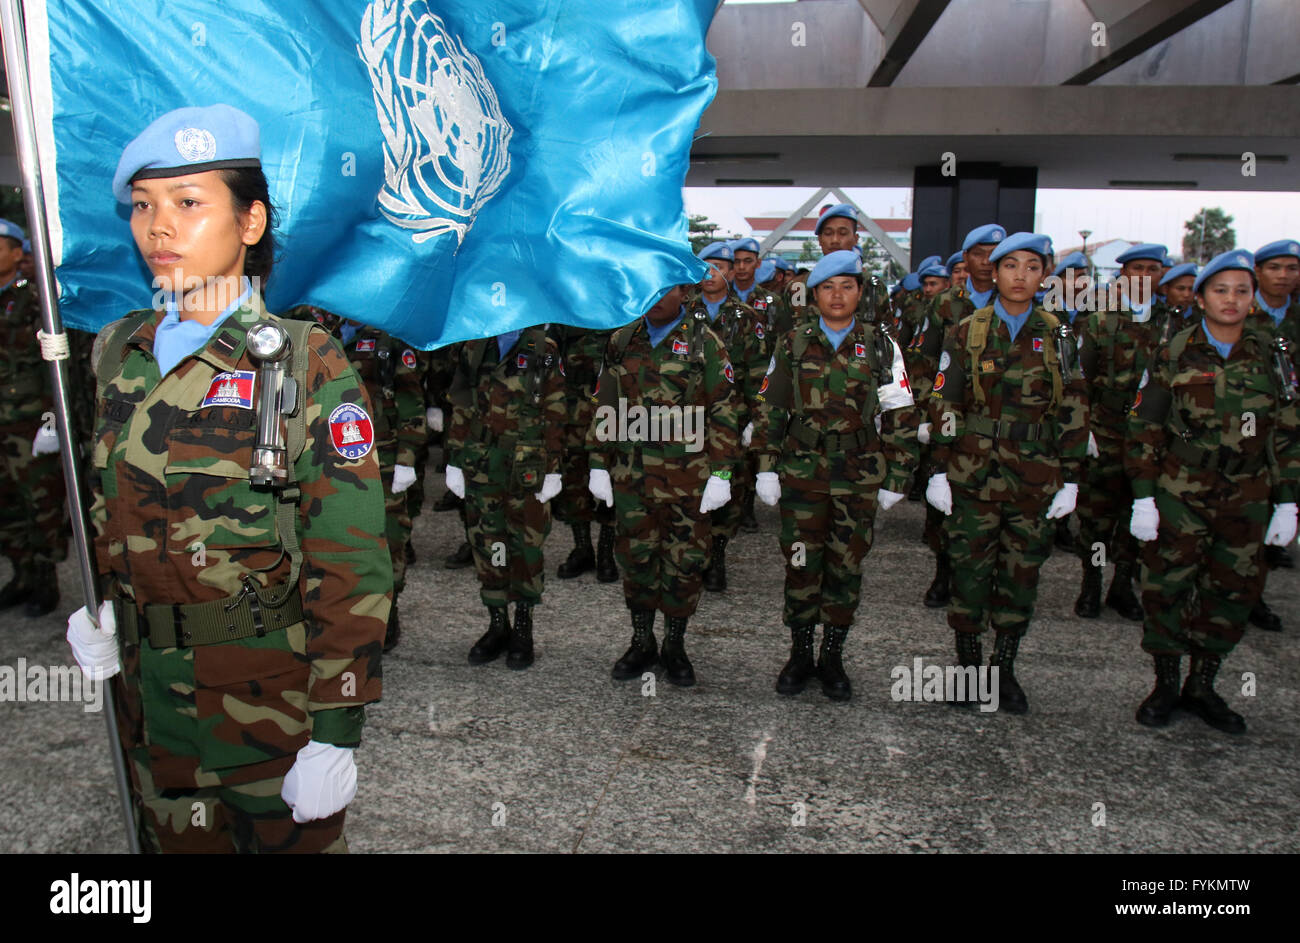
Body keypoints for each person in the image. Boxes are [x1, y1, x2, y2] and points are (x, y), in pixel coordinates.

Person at [65, 104, 391, 852]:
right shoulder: (120, 350)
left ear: (250, 223)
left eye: (188, 203)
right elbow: (109, 502)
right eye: (143, 206)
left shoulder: (301, 360)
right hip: (152, 705)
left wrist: (337, 728)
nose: (159, 228)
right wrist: (104, 605)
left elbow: (352, 556)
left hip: (267, 706)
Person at [1127, 250, 1299, 733]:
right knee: (1167, 586)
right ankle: (1164, 684)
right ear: (1201, 299)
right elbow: (1145, 426)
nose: (1231, 300)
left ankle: (1202, 685)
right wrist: (1143, 495)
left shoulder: (1273, 353)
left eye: (1241, 291)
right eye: (1220, 290)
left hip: (1248, 492)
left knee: (1232, 590)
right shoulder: (1174, 352)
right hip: (1181, 489)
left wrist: (1288, 499)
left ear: (1252, 299)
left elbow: (1287, 431)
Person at [925, 232, 1089, 714]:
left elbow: (1076, 404)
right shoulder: (967, 330)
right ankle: (969, 670)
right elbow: (946, 399)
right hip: (973, 473)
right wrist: (937, 468)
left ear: (1044, 276)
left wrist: (1073, 477)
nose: (1020, 275)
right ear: (993, 273)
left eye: (1032, 266)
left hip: (1035, 476)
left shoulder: (1059, 335)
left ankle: (1004, 670)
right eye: (1010, 265)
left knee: (1022, 574)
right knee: (969, 571)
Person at [753, 250, 917, 701]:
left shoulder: (882, 345)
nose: (837, 295)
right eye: (828, 287)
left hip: (858, 473)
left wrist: (897, 476)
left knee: (846, 565)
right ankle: (800, 653)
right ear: (813, 295)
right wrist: (765, 468)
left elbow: (900, 413)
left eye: (847, 286)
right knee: (802, 561)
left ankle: (833, 656)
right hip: (803, 473)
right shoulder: (792, 343)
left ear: (860, 293)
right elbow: (772, 408)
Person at [586, 284, 741, 686]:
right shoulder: (622, 339)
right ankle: (641, 642)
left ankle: (674, 645)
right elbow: (605, 402)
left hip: (687, 477)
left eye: (665, 287)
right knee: (636, 559)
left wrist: (722, 474)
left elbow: (724, 409)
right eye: (647, 285)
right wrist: (598, 463)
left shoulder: (704, 342)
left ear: (683, 292)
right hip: (632, 475)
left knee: (684, 564)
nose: (655, 296)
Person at [444, 325, 566, 669]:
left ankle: (523, 626)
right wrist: (454, 458)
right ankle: (498, 622)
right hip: (483, 462)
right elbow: (462, 403)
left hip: (527, 465)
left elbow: (556, 408)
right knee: (489, 543)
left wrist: (554, 467)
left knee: (526, 545)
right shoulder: (475, 344)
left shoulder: (543, 346)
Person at [1073, 242, 1167, 622]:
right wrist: (1085, 428)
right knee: (1099, 515)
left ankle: (1122, 585)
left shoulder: (1176, 322)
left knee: (1140, 511)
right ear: (1123, 275)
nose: (1144, 275)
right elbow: (1080, 380)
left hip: (1156, 435)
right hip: (1108, 428)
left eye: (1152, 268)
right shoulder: (1101, 320)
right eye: (1137, 268)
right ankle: (1092, 583)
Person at [690, 242, 769, 584]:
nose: (710, 274)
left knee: (728, 487)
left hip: (729, 417)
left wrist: (755, 418)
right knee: (687, 485)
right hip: (685, 420)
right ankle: (692, 554)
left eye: (717, 267)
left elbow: (758, 372)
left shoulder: (746, 317)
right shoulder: (684, 310)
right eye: (704, 267)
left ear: (730, 272)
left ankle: (718, 555)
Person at [0, 218, 67, 615]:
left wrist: (53, 418)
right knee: (6, 506)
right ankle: (20, 575)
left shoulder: (33, 299)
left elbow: (56, 363)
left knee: (40, 503)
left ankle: (47, 582)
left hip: (28, 422)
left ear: (16, 253)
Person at [551, 322, 620, 583]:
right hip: (573, 411)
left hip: (611, 412)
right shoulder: (568, 316)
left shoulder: (623, 314)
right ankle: (582, 548)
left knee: (612, 482)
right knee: (573, 483)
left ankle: (606, 552)